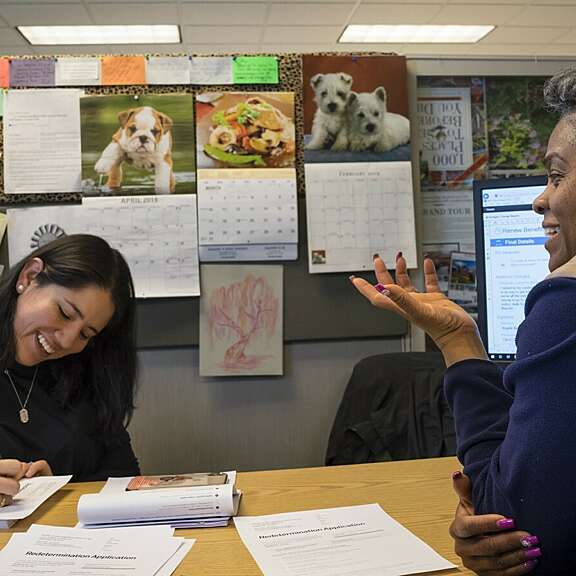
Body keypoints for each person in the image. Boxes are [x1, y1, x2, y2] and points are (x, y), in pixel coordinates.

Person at [351, 67, 576, 575]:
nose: (540, 198)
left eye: (557, 175)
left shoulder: (564, 306)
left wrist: (456, 343)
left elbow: (515, 524)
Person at [0, 234, 140, 506]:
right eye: (64, 313)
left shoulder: (82, 371)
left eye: (86, 334)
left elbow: (124, 480)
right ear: (29, 277)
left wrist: (55, 490)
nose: (66, 340)